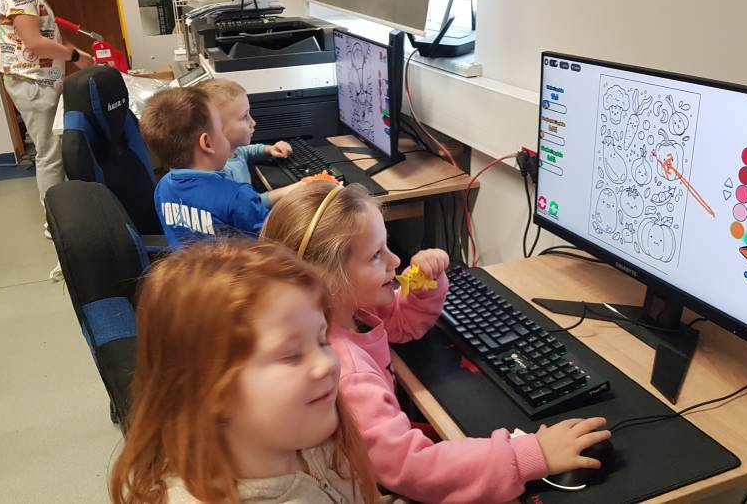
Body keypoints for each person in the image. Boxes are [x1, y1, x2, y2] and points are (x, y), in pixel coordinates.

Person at [261, 182, 611, 503]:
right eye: (376, 255)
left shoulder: (347, 312)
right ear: (328, 281)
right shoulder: (348, 373)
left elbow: (402, 325)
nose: (395, 261)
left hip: (379, 451)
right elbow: (412, 467)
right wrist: (533, 455)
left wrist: (425, 287)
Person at [108, 239, 384, 504]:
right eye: (291, 355)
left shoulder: (311, 438)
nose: (327, 364)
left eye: (322, 341)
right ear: (211, 392)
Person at [0, 0, 94, 237]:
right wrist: (74, 56)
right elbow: (35, 43)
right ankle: (56, 221)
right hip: (34, 81)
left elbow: (50, 35)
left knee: (55, 148)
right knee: (50, 153)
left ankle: (65, 210)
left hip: (42, 79)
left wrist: (77, 55)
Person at [140, 86, 261, 246]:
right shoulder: (238, 196)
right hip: (237, 263)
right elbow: (273, 238)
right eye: (221, 130)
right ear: (207, 143)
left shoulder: (162, 188)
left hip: (188, 263)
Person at [199, 78, 302, 209]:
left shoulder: (233, 151)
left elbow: (246, 151)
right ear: (217, 129)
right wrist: (293, 189)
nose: (253, 122)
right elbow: (246, 205)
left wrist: (269, 149)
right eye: (244, 117)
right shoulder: (220, 172)